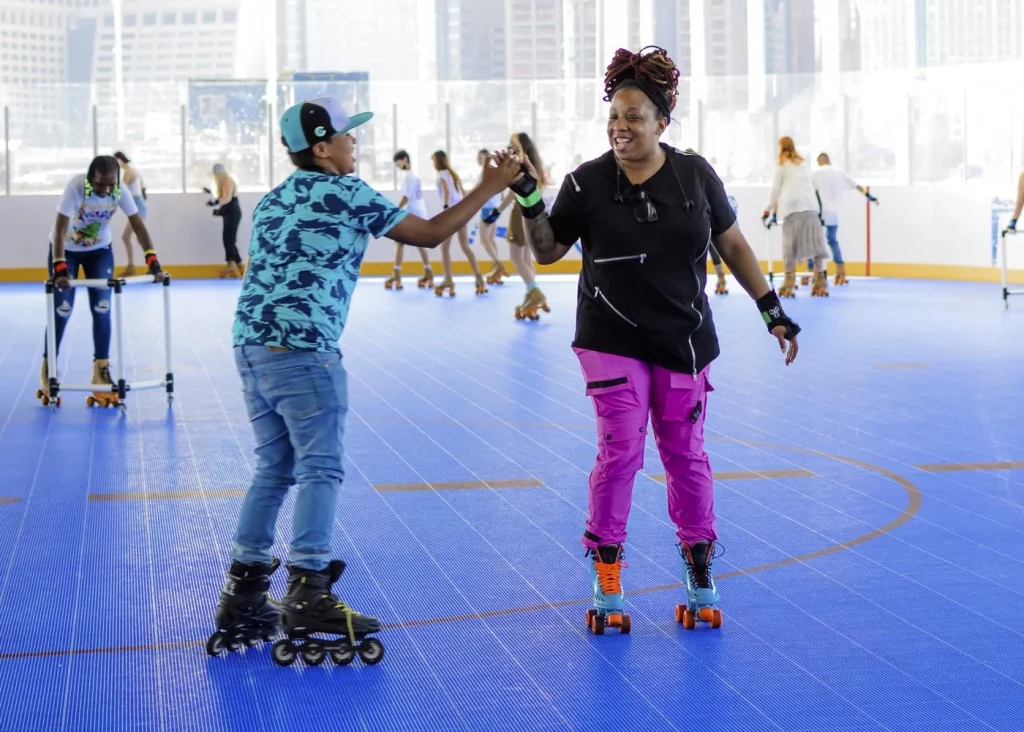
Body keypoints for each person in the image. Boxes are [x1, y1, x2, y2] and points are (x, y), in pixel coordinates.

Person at [494, 46, 800, 635]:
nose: (621, 127)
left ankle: (699, 570)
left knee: (686, 456)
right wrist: (530, 196)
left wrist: (773, 310)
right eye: (614, 116)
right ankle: (608, 574)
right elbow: (548, 249)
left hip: (684, 340)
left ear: (662, 121)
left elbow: (732, 245)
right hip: (609, 336)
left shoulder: (695, 175)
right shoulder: (586, 183)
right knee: (623, 452)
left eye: (634, 117)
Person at [207, 97, 520, 663]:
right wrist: (489, 185)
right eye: (348, 137)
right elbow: (428, 234)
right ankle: (308, 589)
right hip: (304, 352)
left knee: (273, 468)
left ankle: (244, 593)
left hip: (250, 346)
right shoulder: (348, 193)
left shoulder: (274, 200)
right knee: (320, 467)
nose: (356, 144)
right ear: (323, 148)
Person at [38, 155, 164, 406]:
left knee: (102, 309)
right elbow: (61, 228)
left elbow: (138, 225)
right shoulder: (75, 188)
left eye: (110, 184)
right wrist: (60, 267)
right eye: (100, 185)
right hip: (67, 250)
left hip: (99, 251)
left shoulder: (120, 190)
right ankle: (49, 368)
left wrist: (152, 260)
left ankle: (101, 371)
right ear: (89, 179)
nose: (105, 190)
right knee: (62, 310)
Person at [491, 132, 551, 320]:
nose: (509, 148)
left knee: (516, 257)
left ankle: (534, 292)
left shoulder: (521, 166)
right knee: (525, 258)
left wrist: (497, 211)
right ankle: (530, 294)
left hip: (520, 212)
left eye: (512, 146)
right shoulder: (534, 165)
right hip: (533, 212)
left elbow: (512, 194)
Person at [763, 137, 831, 297]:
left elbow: (775, 190)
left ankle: (789, 282)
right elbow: (814, 187)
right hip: (811, 209)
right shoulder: (804, 164)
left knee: (789, 248)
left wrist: (767, 211)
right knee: (816, 247)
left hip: (791, 210)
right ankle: (820, 281)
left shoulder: (781, 166)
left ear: (780, 148)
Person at [809, 152, 878, 286]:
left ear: (819, 161)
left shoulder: (815, 173)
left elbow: (808, 191)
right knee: (833, 241)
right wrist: (869, 196)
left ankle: (813, 272)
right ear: (828, 160)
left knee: (814, 242)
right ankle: (840, 272)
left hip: (818, 212)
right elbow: (856, 186)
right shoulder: (840, 173)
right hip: (833, 214)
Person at [430, 150, 488, 296]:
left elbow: (446, 193)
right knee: (465, 246)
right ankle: (479, 277)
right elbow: (462, 194)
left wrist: (444, 208)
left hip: (451, 213)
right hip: (461, 212)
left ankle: (448, 278)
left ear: (437, 160)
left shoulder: (442, 175)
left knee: (444, 248)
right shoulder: (453, 175)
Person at [389, 150, 435, 289]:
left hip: (413, 213)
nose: (397, 165)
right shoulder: (413, 176)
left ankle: (397, 274)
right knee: (415, 244)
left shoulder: (409, 177)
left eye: (397, 162)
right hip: (418, 212)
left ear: (404, 159)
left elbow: (406, 197)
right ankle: (428, 271)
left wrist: (395, 210)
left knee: (400, 242)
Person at [684, 147, 728, 295]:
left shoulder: (703, 175)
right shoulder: (681, 179)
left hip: (706, 220)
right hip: (694, 222)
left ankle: (721, 278)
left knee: (713, 249)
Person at [205, 163, 244, 278]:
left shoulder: (227, 180)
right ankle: (238, 264)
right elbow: (225, 198)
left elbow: (227, 198)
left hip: (232, 211)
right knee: (229, 238)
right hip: (230, 211)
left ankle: (232, 264)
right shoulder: (224, 181)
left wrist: (215, 202)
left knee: (228, 239)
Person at [474, 148, 507, 285]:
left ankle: (498, 264)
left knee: (484, 240)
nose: (482, 161)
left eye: (484, 158)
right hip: (493, 207)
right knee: (490, 240)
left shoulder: (485, 173)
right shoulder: (492, 172)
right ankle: (497, 271)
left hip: (487, 208)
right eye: (480, 158)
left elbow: (479, 189)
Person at [113, 151, 147, 277]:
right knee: (132, 237)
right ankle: (132, 266)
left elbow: (121, 189)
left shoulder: (128, 172)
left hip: (137, 207)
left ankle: (133, 266)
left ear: (120, 160)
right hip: (138, 206)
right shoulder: (133, 170)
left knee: (128, 237)